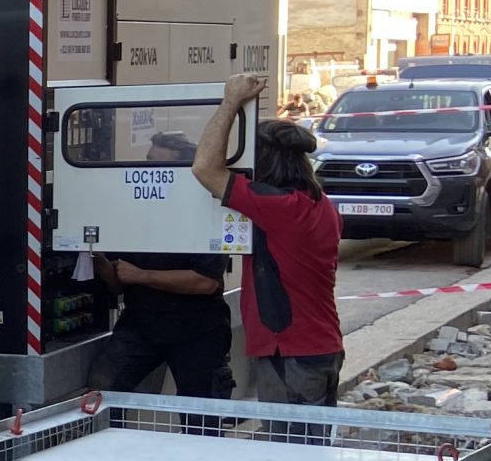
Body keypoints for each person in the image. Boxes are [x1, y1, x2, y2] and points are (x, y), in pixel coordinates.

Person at [190, 73, 343, 406]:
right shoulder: (317, 203)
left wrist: (231, 102)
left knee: (286, 437)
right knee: (309, 436)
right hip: (315, 345)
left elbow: (204, 168)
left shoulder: (280, 208)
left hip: (291, 350)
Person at [91, 131, 233, 399]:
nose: (150, 170)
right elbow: (119, 282)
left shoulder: (207, 212)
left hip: (197, 329)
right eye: (148, 160)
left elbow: (205, 282)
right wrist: (96, 259)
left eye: (159, 164)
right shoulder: (133, 212)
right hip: (141, 324)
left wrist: (141, 276)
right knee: (102, 392)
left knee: (201, 411)